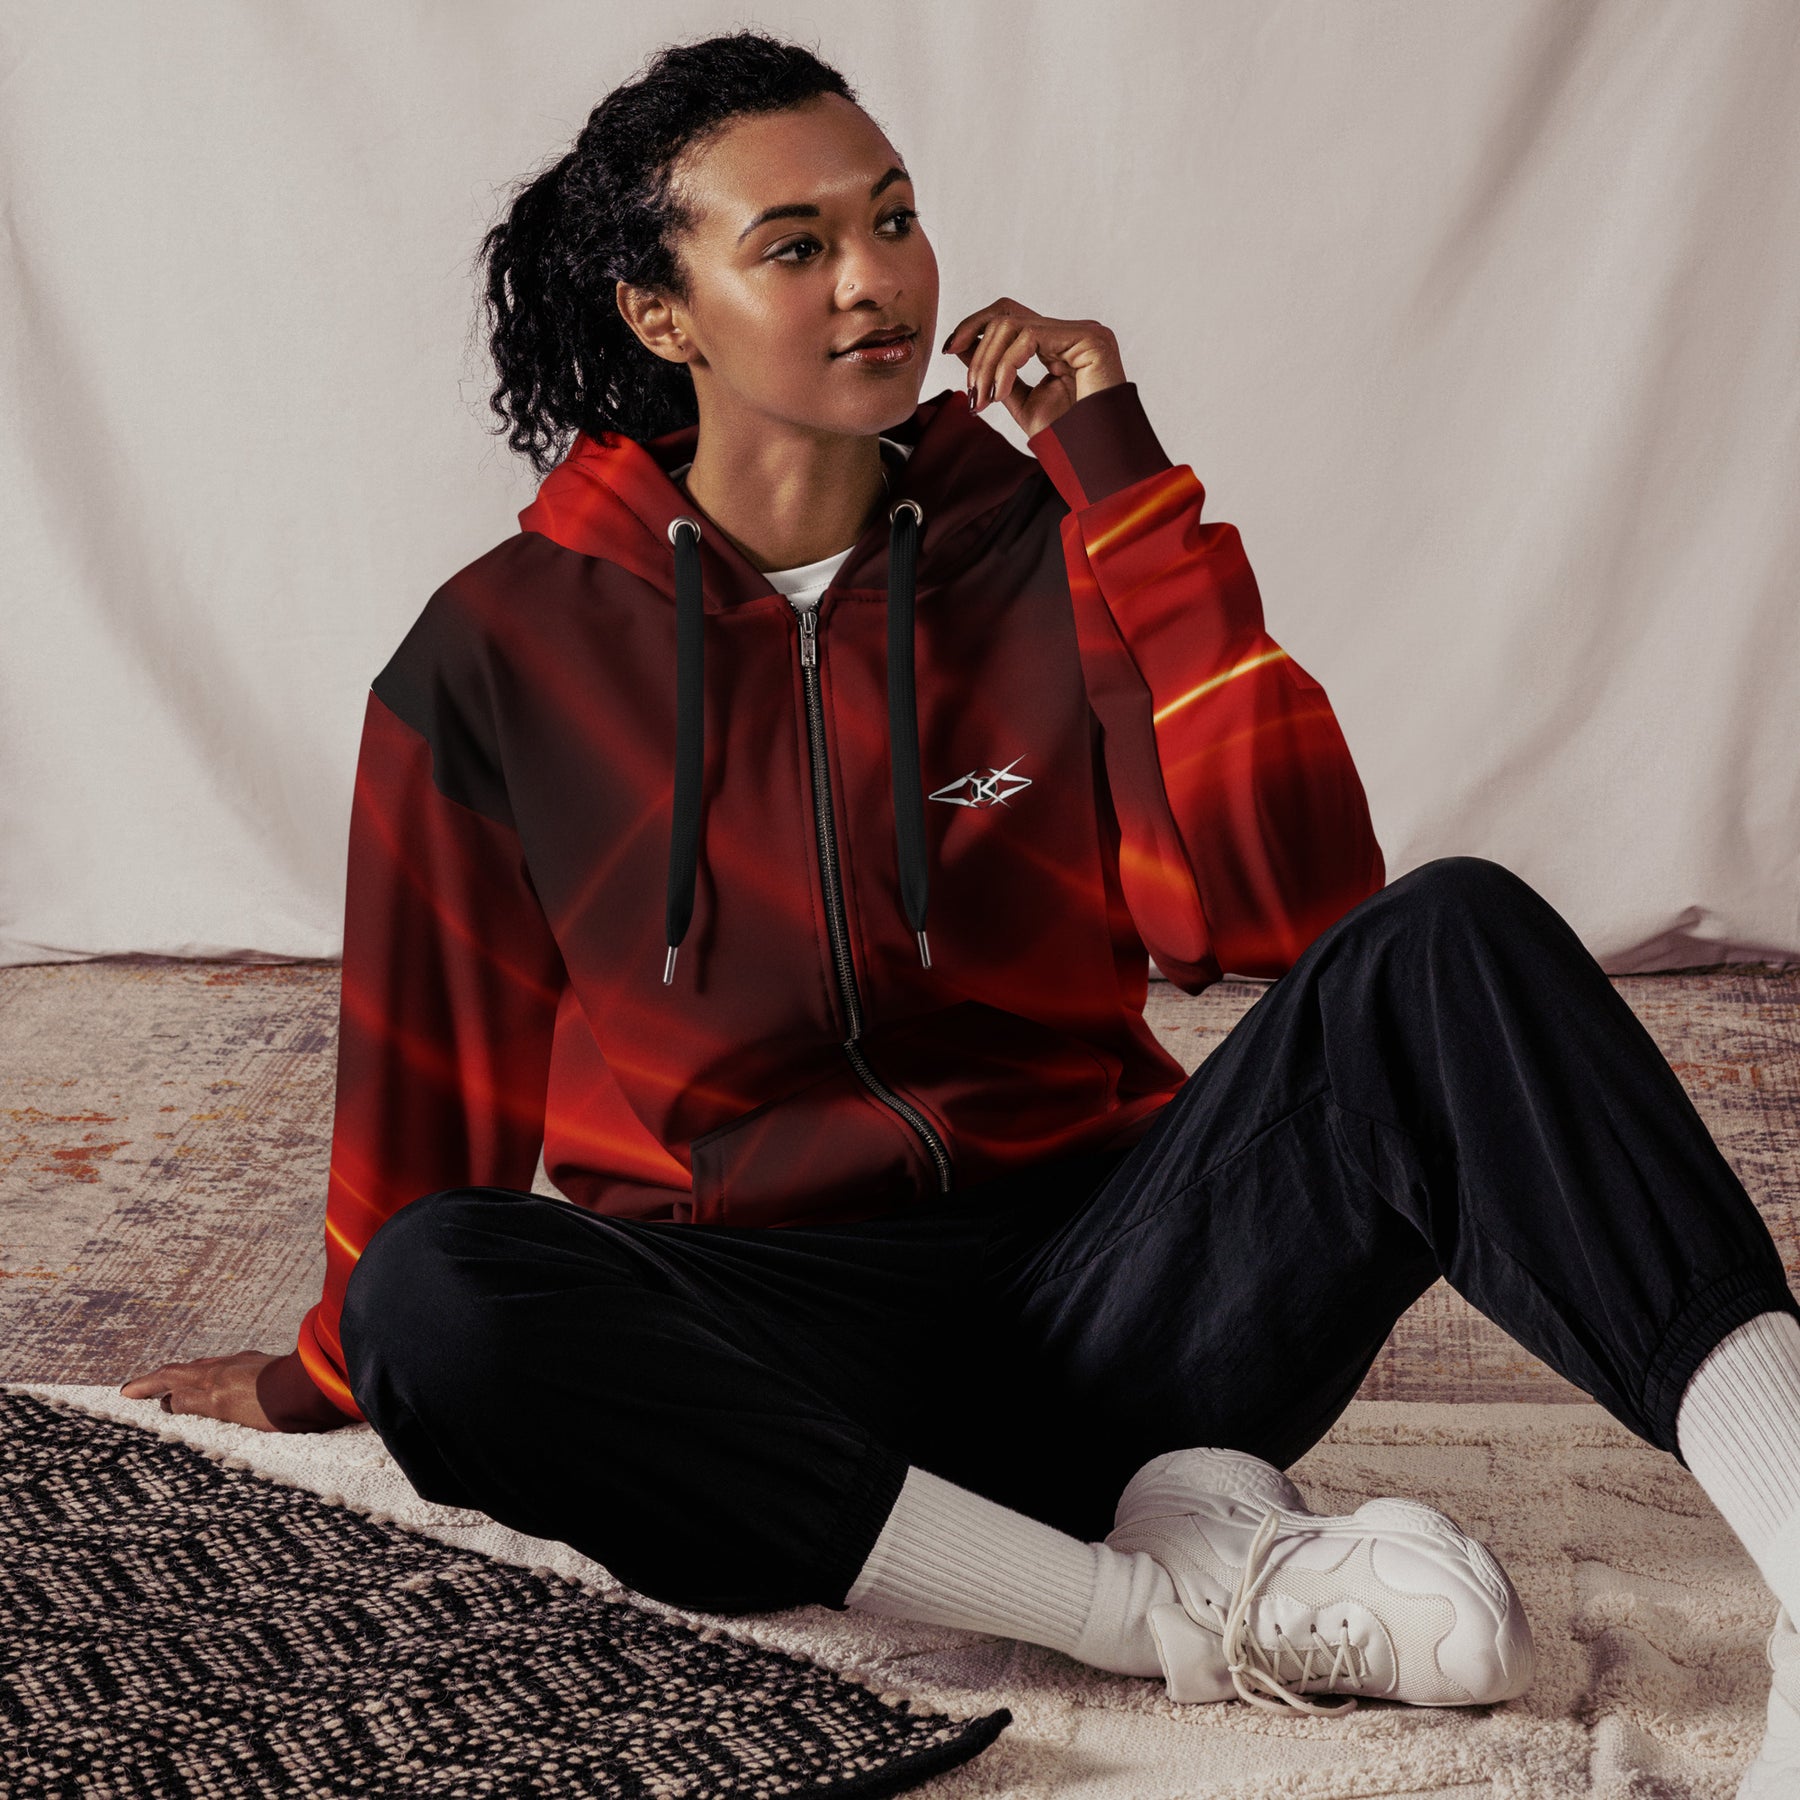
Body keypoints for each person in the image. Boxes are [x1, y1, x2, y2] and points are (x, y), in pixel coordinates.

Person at [122, 29, 1800, 1787]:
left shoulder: (1049, 533)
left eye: (894, 218)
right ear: (661, 314)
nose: (876, 281)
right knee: (434, 1293)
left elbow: (1277, 905)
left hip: (1130, 1286)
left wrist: (1123, 484)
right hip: (775, 1360)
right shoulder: (500, 655)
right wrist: (331, 1368)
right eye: (795, 245)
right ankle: (1148, 1606)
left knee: (1452, 937)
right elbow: (428, 1085)